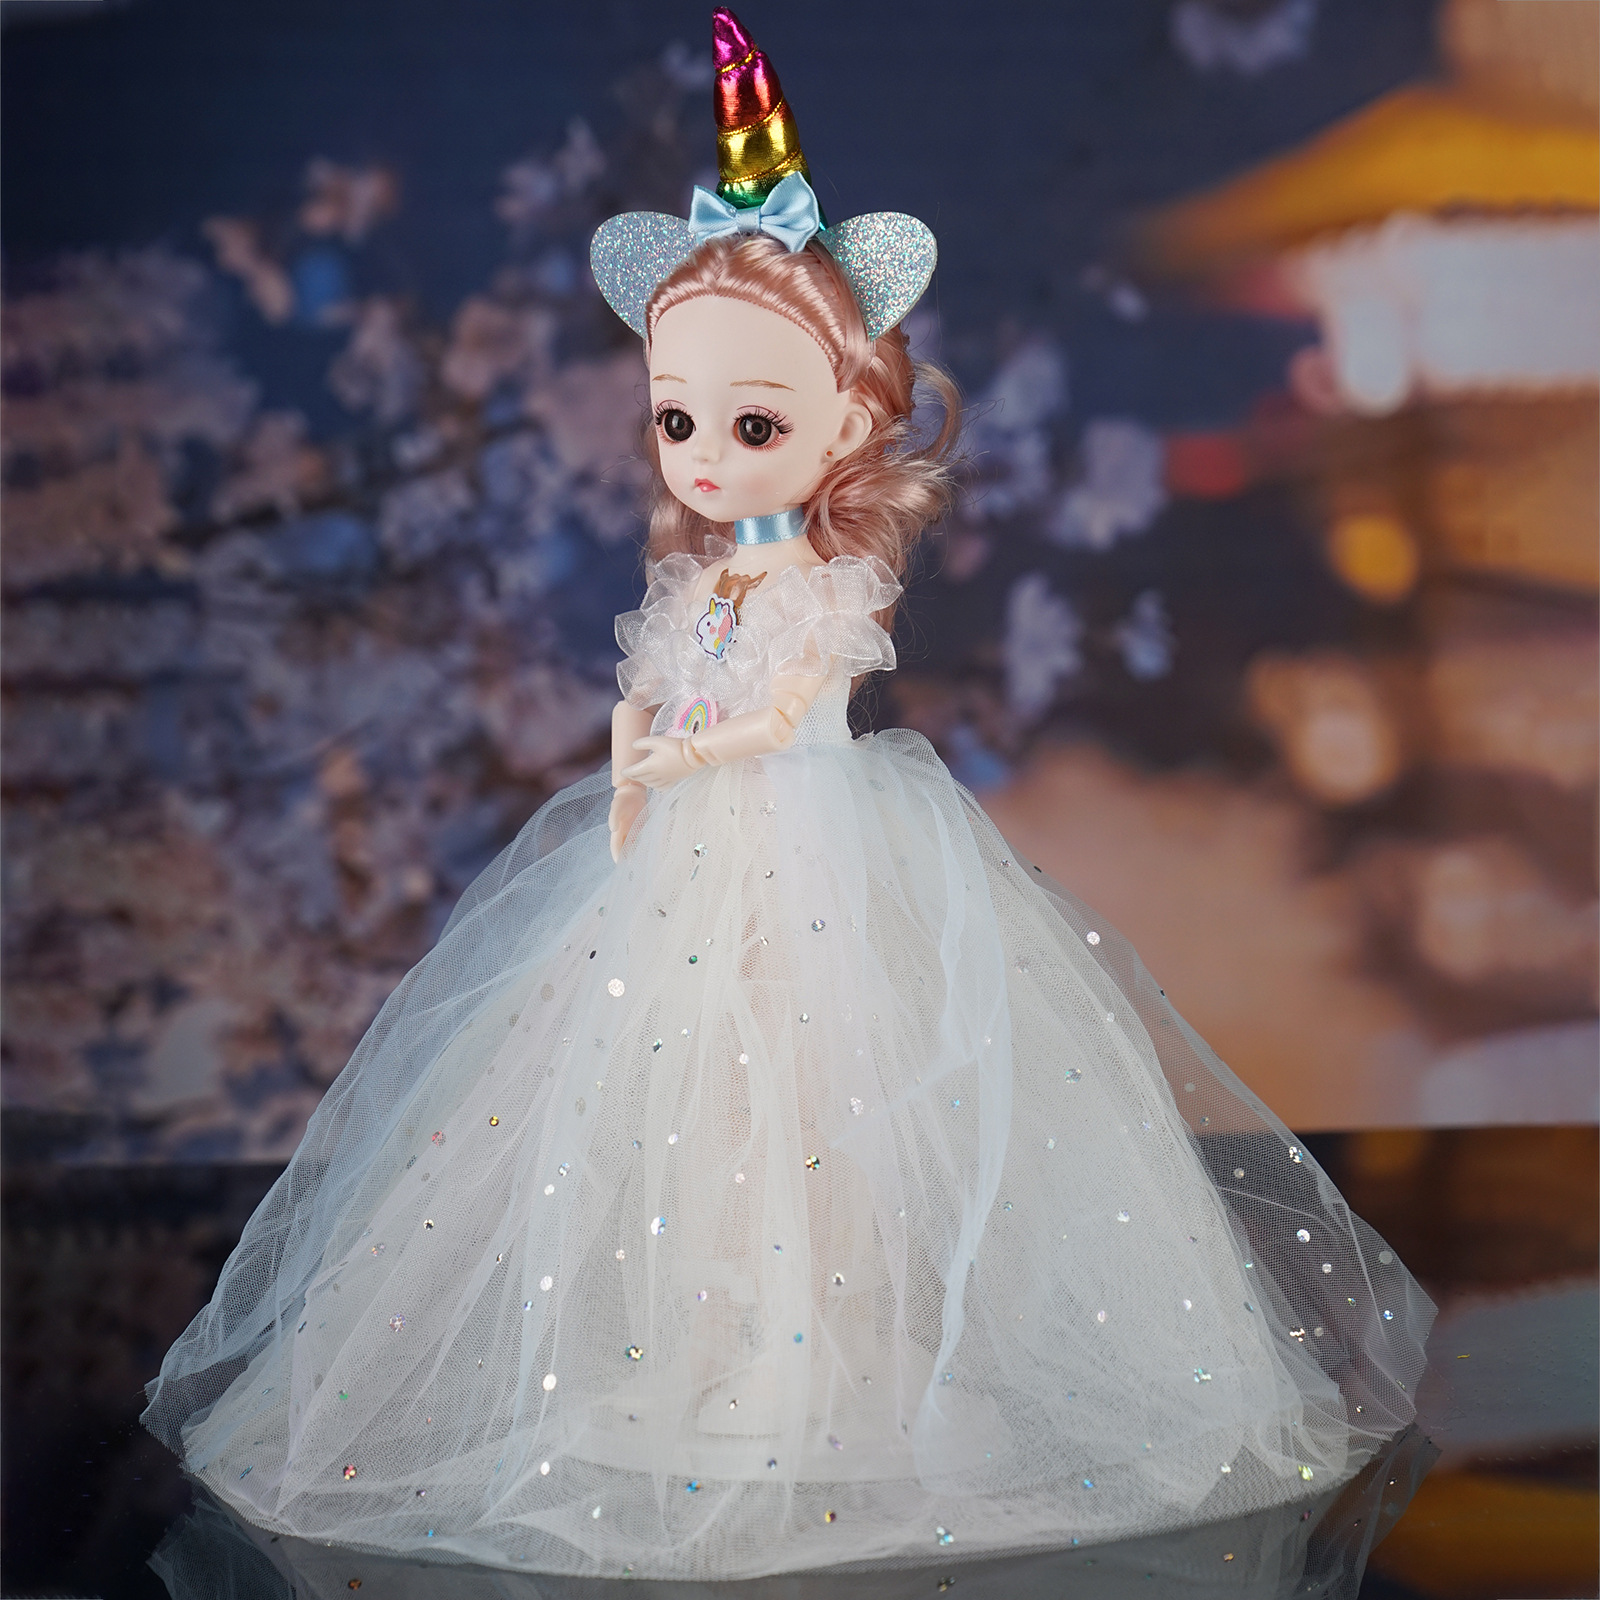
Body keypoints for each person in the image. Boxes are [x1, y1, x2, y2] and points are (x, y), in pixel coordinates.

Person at [143, 9, 1432, 1580]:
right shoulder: (706, 577)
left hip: (807, 856)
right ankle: (709, 1348)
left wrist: (673, 752)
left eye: (752, 423)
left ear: (851, 420)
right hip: (683, 870)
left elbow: (779, 718)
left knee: (819, 1103)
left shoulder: (826, 586)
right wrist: (635, 754)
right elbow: (667, 685)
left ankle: (824, 1358)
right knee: (683, 1114)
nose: (702, 453)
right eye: (676, 418)